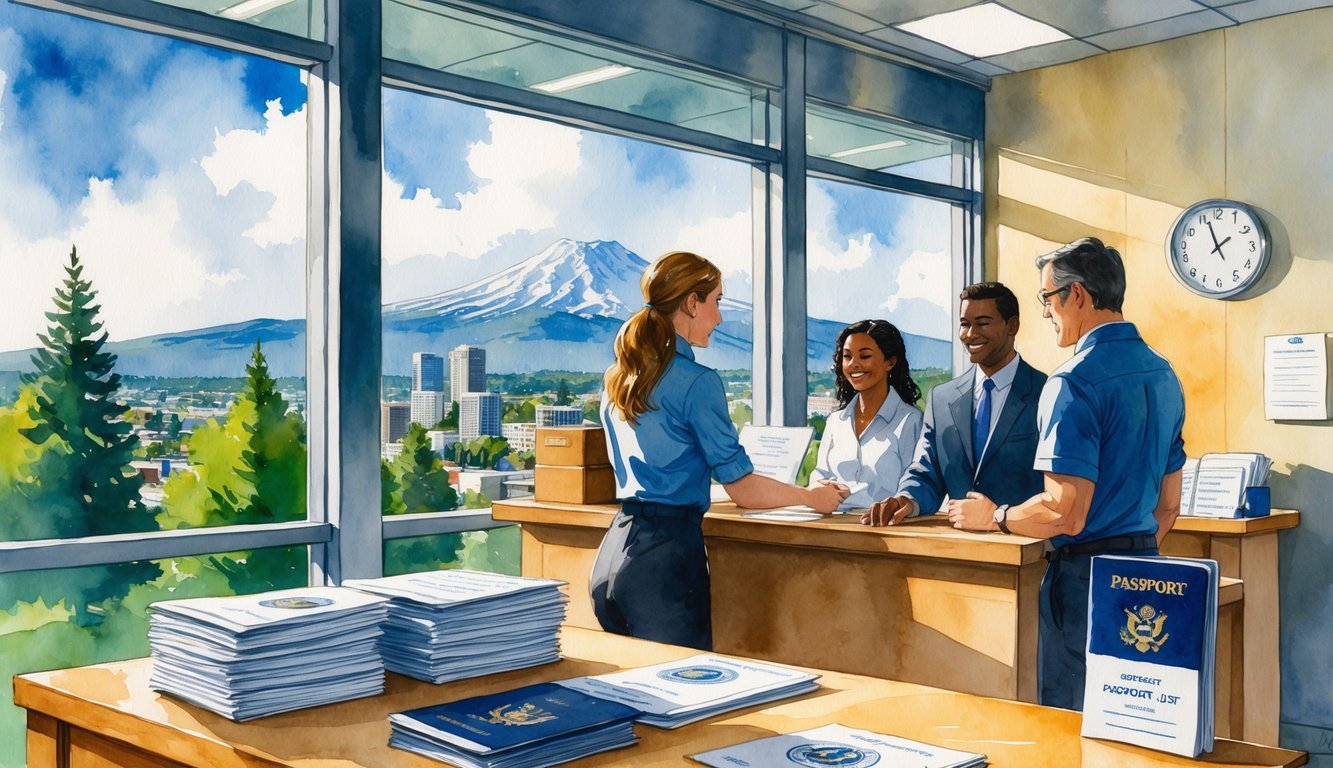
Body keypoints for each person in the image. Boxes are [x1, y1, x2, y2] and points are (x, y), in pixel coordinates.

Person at [944, 237, 1186, 711]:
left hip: (1082, 582)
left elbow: (1064, 512)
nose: (1046, 312)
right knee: (1133, 720)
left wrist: (995, 517)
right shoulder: (1164, 374)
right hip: (1147, 576)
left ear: (1077, 296)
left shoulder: (1072, 381)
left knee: (1070, 722)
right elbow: (1169, 504)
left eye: (1047, 299)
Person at [590, 251, 848, 651]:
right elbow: (742, 490)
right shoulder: (697, 382)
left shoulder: (619, 379)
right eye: (717, 302)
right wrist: (811, 497)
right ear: (692, 303)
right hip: (666, 560)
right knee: (682, 692)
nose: (720, 317)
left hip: (613, 555)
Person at [861, 283, 1046, 526]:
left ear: (1012, 325)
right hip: (958, 551)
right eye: (964, 324)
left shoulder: (1046, 392)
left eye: (982, 323)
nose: (969, 334)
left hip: (1027, 551)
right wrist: (905, 499)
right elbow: (926, 471)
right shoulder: (942, 399)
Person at [810, 319, 923, 511]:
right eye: (847, 357)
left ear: (890, 362)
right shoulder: (836, 422)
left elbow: (912, 489)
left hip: (884, 529)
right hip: (832, 526)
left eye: (864, 356)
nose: (854, 364)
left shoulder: (911, 421)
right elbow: (819, 476)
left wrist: (848, 494)